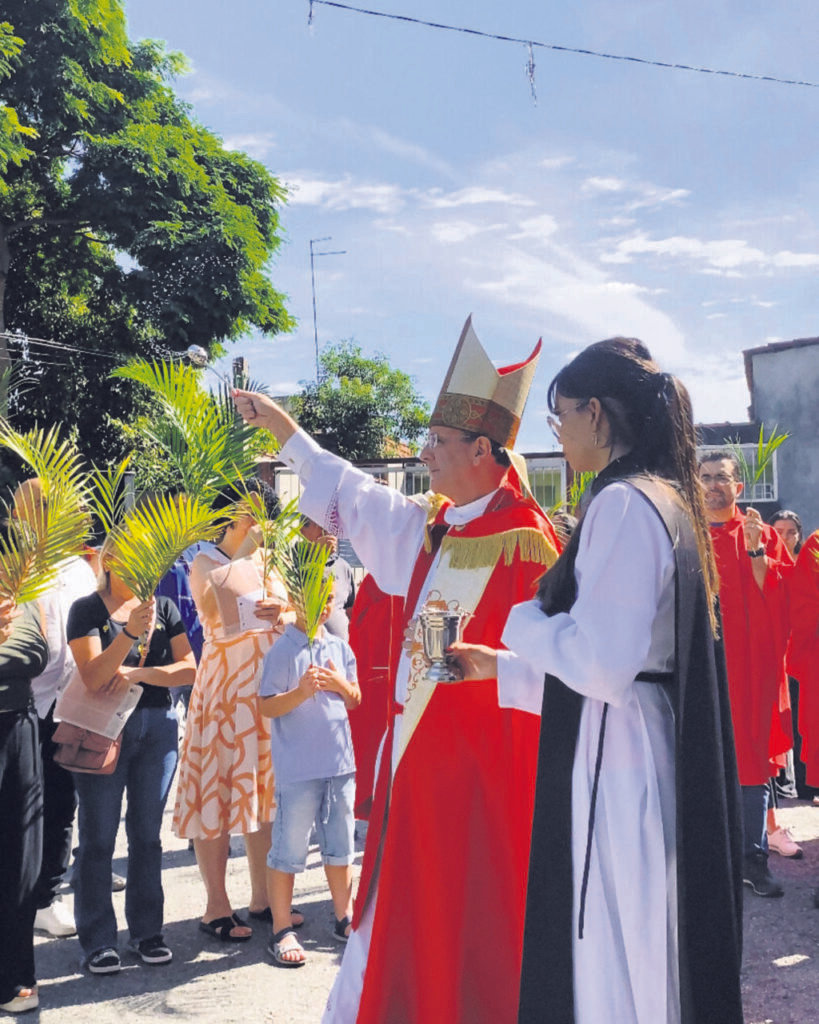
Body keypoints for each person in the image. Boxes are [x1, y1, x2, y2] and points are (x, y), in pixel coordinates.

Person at [235, 315, 561, 1024]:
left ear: (483, 448)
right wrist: (286, 433)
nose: (425, 452)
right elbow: (357, 497)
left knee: (469, 914)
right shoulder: (439, 522)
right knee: (400, 915)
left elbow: (543, 673)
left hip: (480, 774)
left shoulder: (526, 546)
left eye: (438, 442)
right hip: (414, 760)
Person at [450, 338, 744, 1024]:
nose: (558, 434)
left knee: (615, 945)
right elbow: (628, 668)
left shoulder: (620, 504)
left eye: (559, 418)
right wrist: (502, 672)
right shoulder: (665, 497)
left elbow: (604, 669)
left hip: (619, 761)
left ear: (594, 411)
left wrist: (519, 624)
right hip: (639, 736)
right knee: (641, 939)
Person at [172, 480, 298, 941]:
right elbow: (213, 615)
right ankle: (215, 906)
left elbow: (292, 614)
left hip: (265, 689)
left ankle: (263, 898)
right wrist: (246, 555)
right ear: (239, 513)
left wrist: (281, 615)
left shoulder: (271, 561)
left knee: (266, 795)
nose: (264, 523)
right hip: (225, 691)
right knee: (217, 794)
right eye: (258, 513)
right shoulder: (204, 560)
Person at [66, 536, 195, 974]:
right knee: (99, 838)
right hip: (104, 731)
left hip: (157, 729)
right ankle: (99, 940)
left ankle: (146, 932)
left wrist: (138, 672)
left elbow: (190, 668)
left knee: (148, 836)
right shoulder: (87, 610)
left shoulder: (165, 608)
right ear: (111, 561)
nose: (142, 566)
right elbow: (93, 677)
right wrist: (129, 635)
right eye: (132, 557)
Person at [699, 452, 794, 894]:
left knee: (750, 757)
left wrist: (757, 548)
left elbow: (780, 597)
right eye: (706, 478)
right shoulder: (685, 534)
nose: (714, 485)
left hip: (747, 667)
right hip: (697, 661)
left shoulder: (761, 535)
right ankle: (706, 862)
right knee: (697, 757)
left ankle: (753, 860)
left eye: (722, 478)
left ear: (739, 487)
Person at [258, 582, 361, 966]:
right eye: (317, 596)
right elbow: (266, 707)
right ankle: (282, 927)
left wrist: (340, 685)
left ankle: (343, 916)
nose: (325, 604)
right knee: (288, 849)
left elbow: (356, 698)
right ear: (297, 601)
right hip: (299, 769)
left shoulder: (338, 645)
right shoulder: (282, 651)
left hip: (340, 764)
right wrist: (301, 693)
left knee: (340, 846)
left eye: (330, 597)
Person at [0, 598, 48, 1013]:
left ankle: (16, 975)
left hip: (19, 726)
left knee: (21, 861)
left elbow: (36, 654)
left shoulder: (21, 584)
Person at [300, 517, 356, 641]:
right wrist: (317, 557)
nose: (327, 530)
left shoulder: (343, 566)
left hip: (340, 652)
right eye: (320, 524)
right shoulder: (292, 561)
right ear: (302, 530)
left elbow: (350, 610)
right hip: (307, 650)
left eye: (332, 525)